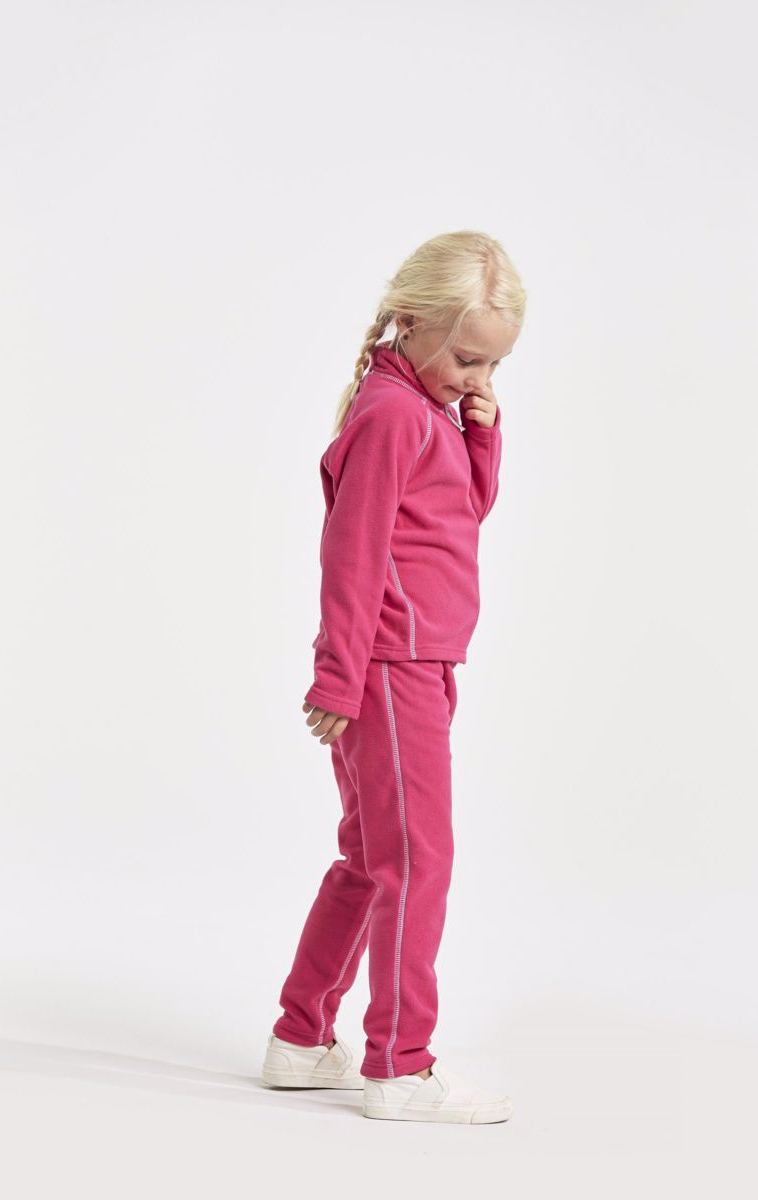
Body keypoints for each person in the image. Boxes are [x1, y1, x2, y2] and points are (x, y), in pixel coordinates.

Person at [261, 231, 525, 1124]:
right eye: (465, 358)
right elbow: (353, 553)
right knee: (417, 863)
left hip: (421, 665)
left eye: (492, 364)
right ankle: (400, 1068)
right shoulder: (390, 416)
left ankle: (301, 1039)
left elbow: (461, 513)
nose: (474, 377)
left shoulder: (429, 411)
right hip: (389, 669)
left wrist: (483, 431)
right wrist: (338, 677)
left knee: (374, 859)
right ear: (409, 323)